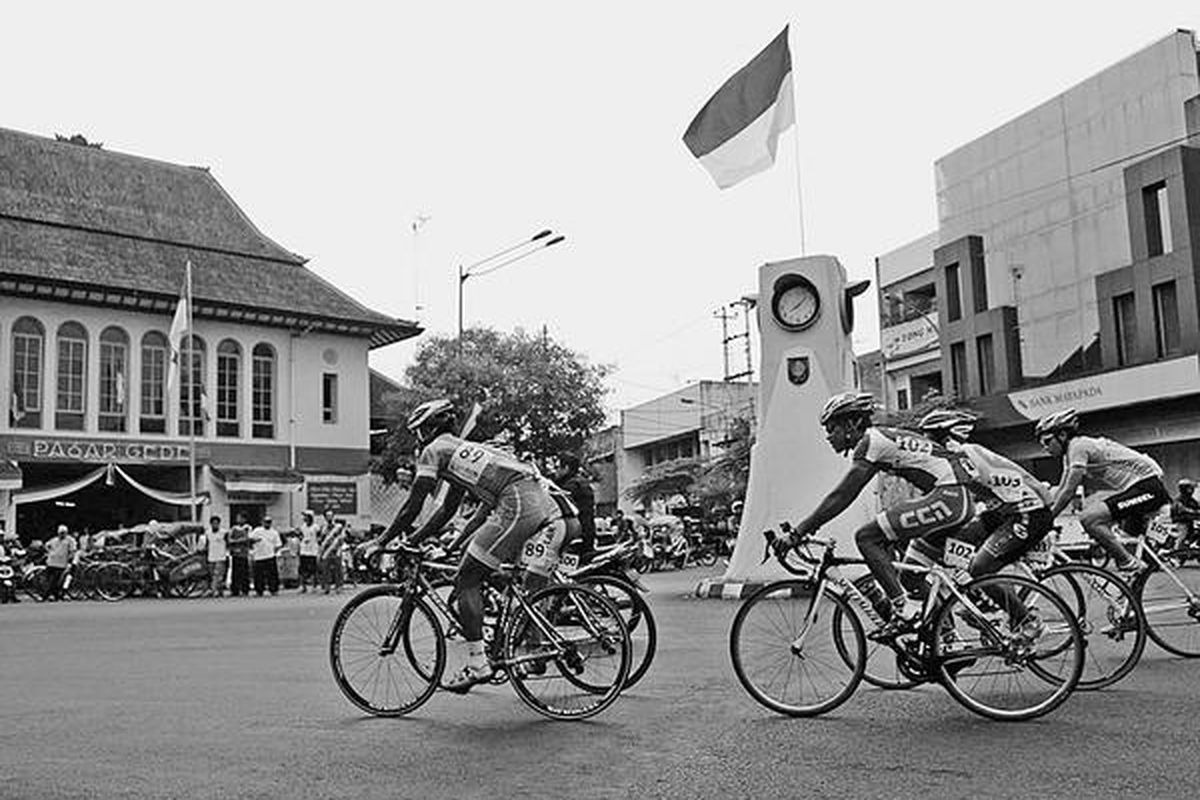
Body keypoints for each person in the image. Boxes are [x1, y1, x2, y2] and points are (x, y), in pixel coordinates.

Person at [360, 398, 560, 693]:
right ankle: (517, 638)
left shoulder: (433, 450)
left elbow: (413, 505)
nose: (419, 439)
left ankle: (478, 664)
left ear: (430, 428)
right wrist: (413, 541)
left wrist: (380, 541)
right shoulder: (458, 451)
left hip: (516, 503)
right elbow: (446, 511)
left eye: (419, 431)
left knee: (466, 577)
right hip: (534, 500)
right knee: (481, 569)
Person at [773, 392, 995, 638]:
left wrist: (799, 532)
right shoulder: (881, 439)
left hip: (949, 497)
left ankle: (904, 610)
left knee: (866, 537)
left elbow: (842, 495)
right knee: (910, 576)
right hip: (956, 499)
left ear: (853, 423)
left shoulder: (871, 442)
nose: (828, 436)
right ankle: (945, 639)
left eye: (832, 428)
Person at [1036, 408, 1167, 577]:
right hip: (1138, 488)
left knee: (1089, 518)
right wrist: (1044, 511)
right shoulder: (1069, 455)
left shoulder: (1078, 446)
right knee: (1126, 547)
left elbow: (1069, 491)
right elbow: (1061, 489)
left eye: (1047, 442)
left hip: (1147, 487)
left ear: (1062, 435)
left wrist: (1047, 520)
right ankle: (1134, 581)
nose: (1045, 448)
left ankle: (1129, 563)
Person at [555, 452, 596, 560]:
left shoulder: (571, 486)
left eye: (558, 467)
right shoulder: (582, 482)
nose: (555, 471)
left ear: (566, 468)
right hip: (586, 534)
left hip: (574, 537)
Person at [250, 516, 283, 596]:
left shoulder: (274, 532)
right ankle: (259, 591)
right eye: (265, 522)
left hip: (270, 556)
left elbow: (278, 544)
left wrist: (274, 552)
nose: (267, 524)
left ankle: (273, 590)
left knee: (272, 575)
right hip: (258, 556)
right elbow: (250, 539)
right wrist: (255, 541)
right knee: (258, 575)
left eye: (269, 522)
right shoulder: (257, 531)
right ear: (262, 522)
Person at [197, 515, 230, 598]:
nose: (215, 525)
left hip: (221, 557)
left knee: (218, 574)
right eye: (213, 523)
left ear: (219, 524)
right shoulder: (208, 533)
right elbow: (207, 544)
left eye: (216, 523)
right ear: (211, 524)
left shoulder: (224, 533)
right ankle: (219, 591)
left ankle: (213, 590)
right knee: (212, 575)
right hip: (211, 557)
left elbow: (228, 543)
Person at [44, 524, 76, 601]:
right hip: (53, 562)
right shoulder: (55, 540)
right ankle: (53, 595)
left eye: (63, 533)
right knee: (54, 580)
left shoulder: (69, 540)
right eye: (61, 533)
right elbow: (46, 545)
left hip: (60, 562)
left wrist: (70, 560)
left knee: (57, 580)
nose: (62, 534)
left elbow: (72, 551)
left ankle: (55, 595)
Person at [318, 517, 346, 594]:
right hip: (326, 552)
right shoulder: (323, 528)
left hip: (336, 551)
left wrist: (338, 548)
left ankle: (338, 586)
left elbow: (342, 539)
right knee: (326, 569)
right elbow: (321, 539)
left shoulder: (338, 528)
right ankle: (327, 586)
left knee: (338, 570)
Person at [227, 516, 253, 597]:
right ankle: (235, 590)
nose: (239, 519)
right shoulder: (234, 528)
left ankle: (245, 590)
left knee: (245, 573)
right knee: (235, 573)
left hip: (244, 554)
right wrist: (239, 541)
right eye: (238, 518)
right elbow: (230, 539)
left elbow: (248, 538)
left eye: (241, 518)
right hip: (235, 554)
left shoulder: (248, 528)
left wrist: (237, 541)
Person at [1171, 478, 1200, 549]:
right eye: (1190, 488)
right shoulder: (1178, 501)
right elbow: (1184, 512)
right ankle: (1178, 549)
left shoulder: (1192, 501)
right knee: (1183, 533)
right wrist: (1195, 513)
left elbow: (1196, 509)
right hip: (1181, 525)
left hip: (1191, 524)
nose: (1192, 490)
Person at [297, 510, 321, 593]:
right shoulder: (303, 527)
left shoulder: (316, 527)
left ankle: (314, 586)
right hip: (304, 550)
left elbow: (319, 537)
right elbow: (300, 536)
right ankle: (303, 586)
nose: (305, 518)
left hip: (313, 551)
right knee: (302, 570)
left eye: (306, 516)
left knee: (313, 570)